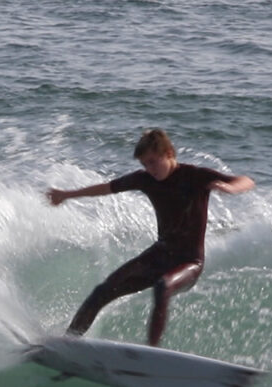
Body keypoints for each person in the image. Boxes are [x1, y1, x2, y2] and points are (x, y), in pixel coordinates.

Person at [46, 129, 255, 347]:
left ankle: (151, 353)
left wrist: (229, 187)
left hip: (189, 262)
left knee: (162, 287)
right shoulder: (145, 180)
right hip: (160, 255)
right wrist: (66, 195)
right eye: (145, 164)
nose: (149, 169)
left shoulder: (195, 176)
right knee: (103, 291)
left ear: (169, 153)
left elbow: (246, 181)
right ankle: (67, 342)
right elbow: (107, 188)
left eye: (153, 162)